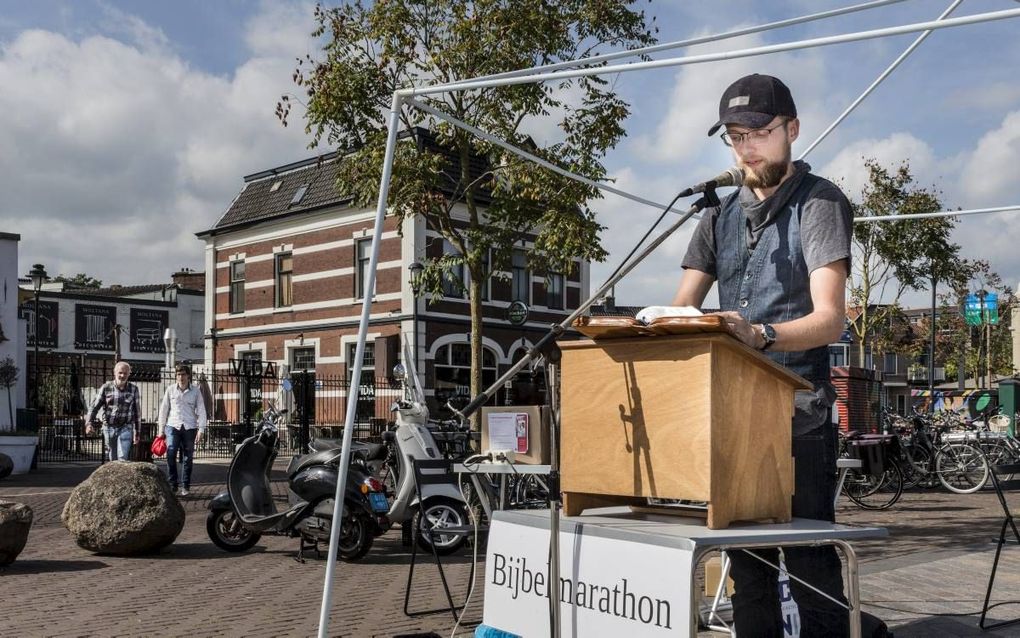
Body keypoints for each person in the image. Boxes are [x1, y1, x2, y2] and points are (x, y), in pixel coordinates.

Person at [673, 74, 855, 636]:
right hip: (733, 416)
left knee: (809, 564)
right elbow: (683, 307)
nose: (747, 147)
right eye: (735, 136)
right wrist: (656, 324)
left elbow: (831, 319)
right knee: (746, 567)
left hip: (799, 418)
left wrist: (760, 335)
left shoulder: (819, 203)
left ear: (792, 130)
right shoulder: (715, 214)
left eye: (759, 132)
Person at [158, 363, 207, 496]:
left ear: (188, 376)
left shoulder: (196, 391)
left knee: (188, 458)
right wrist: (161, 429)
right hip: (172, 425)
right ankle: (173, 484)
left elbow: (202, 411)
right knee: (171, 451)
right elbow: (164, 409)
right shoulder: (170, 390)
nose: (181, 377)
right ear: (176, 376)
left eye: (183, 374)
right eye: (178, 374)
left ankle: (185, 485)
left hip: (190, 427)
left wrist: (201, 429)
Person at [85, 361, 141, 462]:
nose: (122, 375)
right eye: (120, 372)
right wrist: (89, 424)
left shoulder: (134, 389)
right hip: (109, 427)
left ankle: (123, 477)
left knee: (123, 457)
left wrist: (137, 432)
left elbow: (137, 412)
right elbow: (94, 407)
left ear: (129, 374)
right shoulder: (106, 388)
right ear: (115, 373)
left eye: (125, 373)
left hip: (126, 426)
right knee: (113, 458)